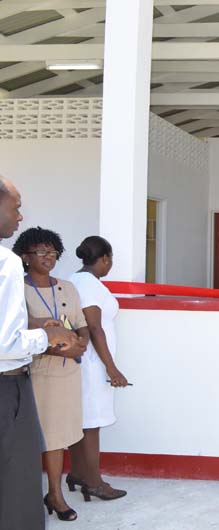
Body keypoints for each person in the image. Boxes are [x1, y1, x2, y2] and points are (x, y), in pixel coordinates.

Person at [0, 176, 78, 530]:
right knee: (18, 488)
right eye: (15, 207)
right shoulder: (5, 264)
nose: (19, 217)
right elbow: (7, 343)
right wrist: (47, 337)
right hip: (9, 384)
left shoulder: (68, 287)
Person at [13, 227, 90, 522]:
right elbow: (18, 333)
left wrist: (79, 345)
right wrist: (60, 347)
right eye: (41, 252)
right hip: (35, 373)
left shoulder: (67, 287)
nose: (48, 257)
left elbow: (81, 326)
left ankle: (55, 494)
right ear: (25, 256)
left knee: (57, 438)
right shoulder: (16, 287)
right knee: (33, 439)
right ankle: (27, 496)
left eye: (53, 251)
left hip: (68, 374)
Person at [69, 236, 129, 501]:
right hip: (93, 365)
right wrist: (112, 369)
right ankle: (94, 482)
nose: (110, 264)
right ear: (104, 258)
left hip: (84, 363)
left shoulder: (75, 278)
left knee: (81, 422)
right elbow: (95, 328)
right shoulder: (90, 285)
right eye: (110, 259)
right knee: (92, 424)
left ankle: (79, 473)